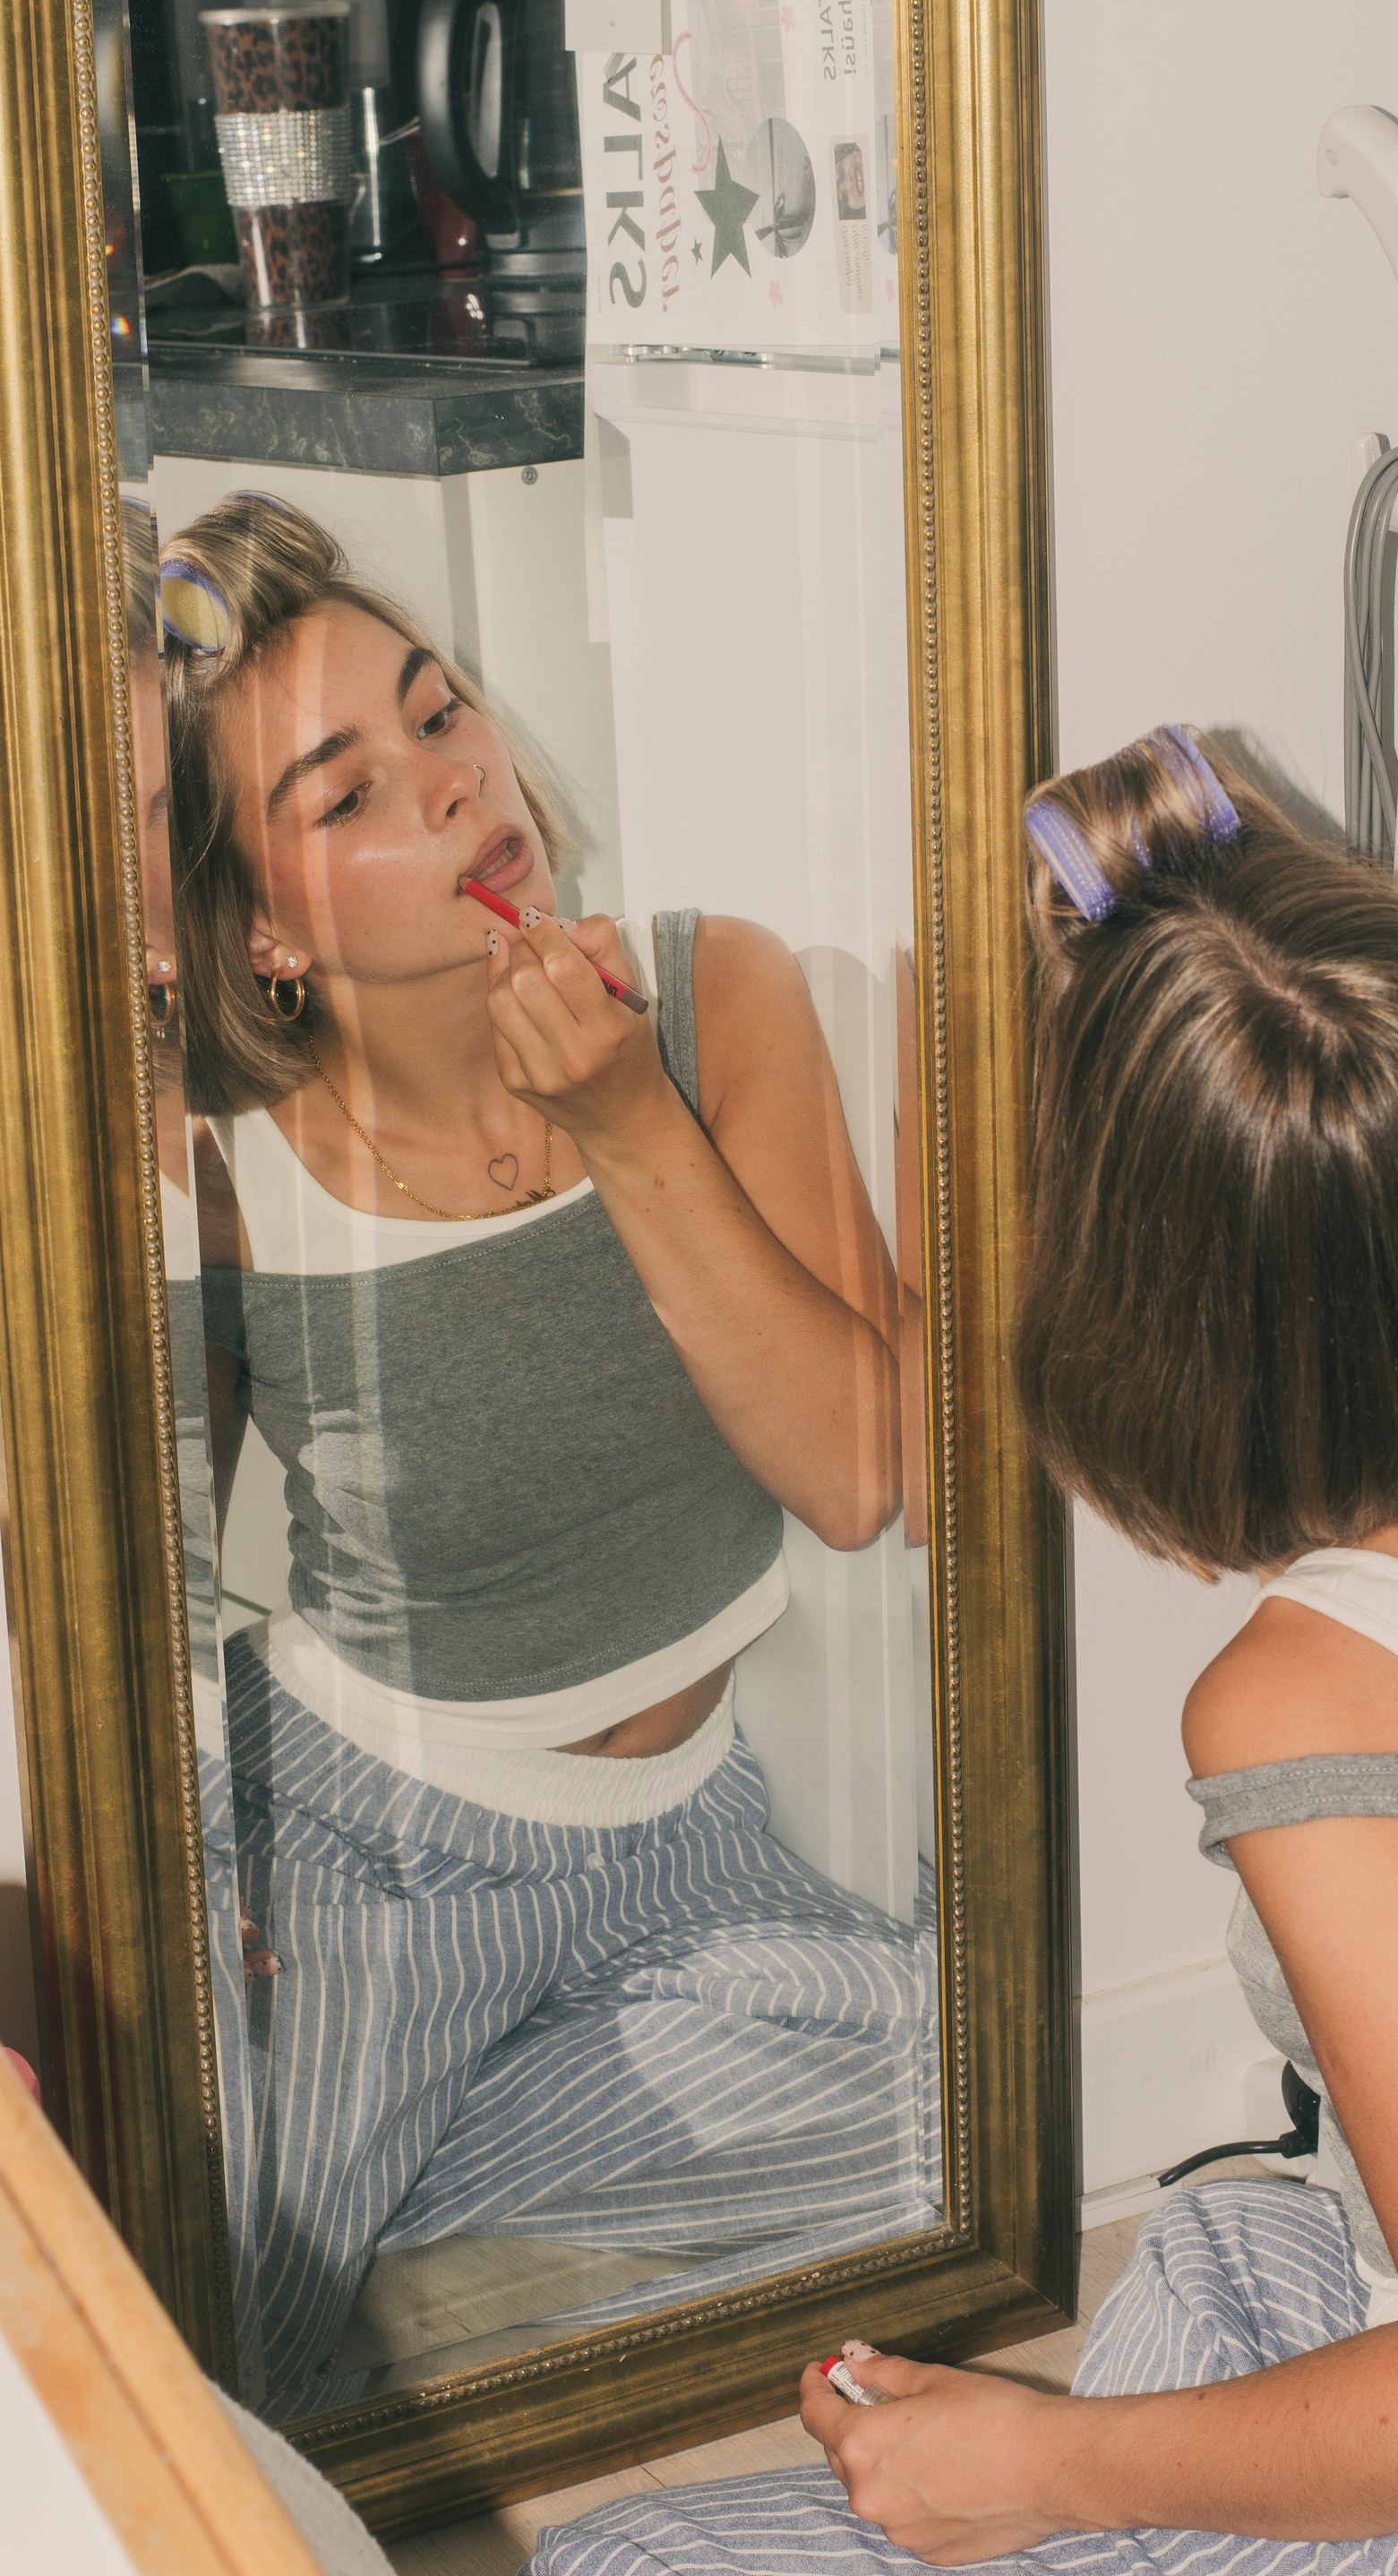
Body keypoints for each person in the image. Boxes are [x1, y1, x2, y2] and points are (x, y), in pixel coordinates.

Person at [524, 725, 1398, 2573]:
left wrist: (1037, 2463)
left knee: (621, 2558)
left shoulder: (1319, 1708)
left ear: (1136, 1317)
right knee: (1222, 2248)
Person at [160, 492, 939, 2420]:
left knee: (961, 2127)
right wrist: (187, 1869)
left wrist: (629, 1122)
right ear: (263, 929)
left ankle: (408, 2223)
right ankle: (363, 2225)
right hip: (360, 1850)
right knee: (211, 2350)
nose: (453, 782)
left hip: (690, 1843)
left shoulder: (715, 996)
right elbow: (135, 1564)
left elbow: (859, 1477)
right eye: (349, 794)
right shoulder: (220, 1166)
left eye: (439, 713)